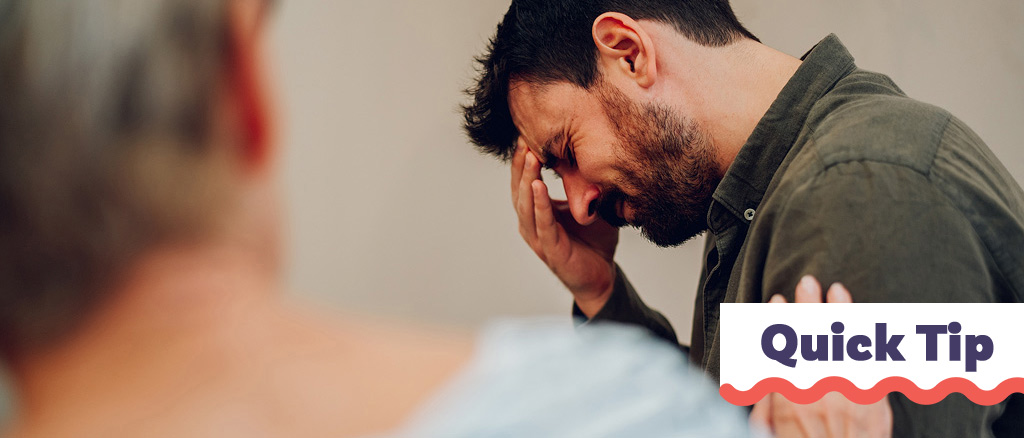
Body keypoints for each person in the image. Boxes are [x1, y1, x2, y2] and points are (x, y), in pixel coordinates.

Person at [0, 0, 753, 437]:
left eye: (562, 149)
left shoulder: (846, 176)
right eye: (558, 158)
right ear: (245, 98)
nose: (581, 201)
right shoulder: (612, 412)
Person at [462, 0, 1024, 436]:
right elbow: (718, 418)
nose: (579, 202)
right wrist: (601, 293)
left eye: (568, 152)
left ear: (628, 51)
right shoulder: (762, 195)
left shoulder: (853, 192)